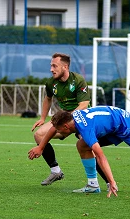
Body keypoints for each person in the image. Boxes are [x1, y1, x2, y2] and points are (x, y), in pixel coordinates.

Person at [30, 52, 109, 188]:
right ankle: (56, 171)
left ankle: (108, 182)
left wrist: (68, 119)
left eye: (55, 66)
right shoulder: (51, 83)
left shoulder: (78, 80)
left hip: (82, 118)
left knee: (89, 147)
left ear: (65, 67)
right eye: (51, 66)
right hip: (64, 119)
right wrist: (43, 118)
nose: (51, 69)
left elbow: (83, 104)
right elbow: (48, 98)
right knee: (39, 134)